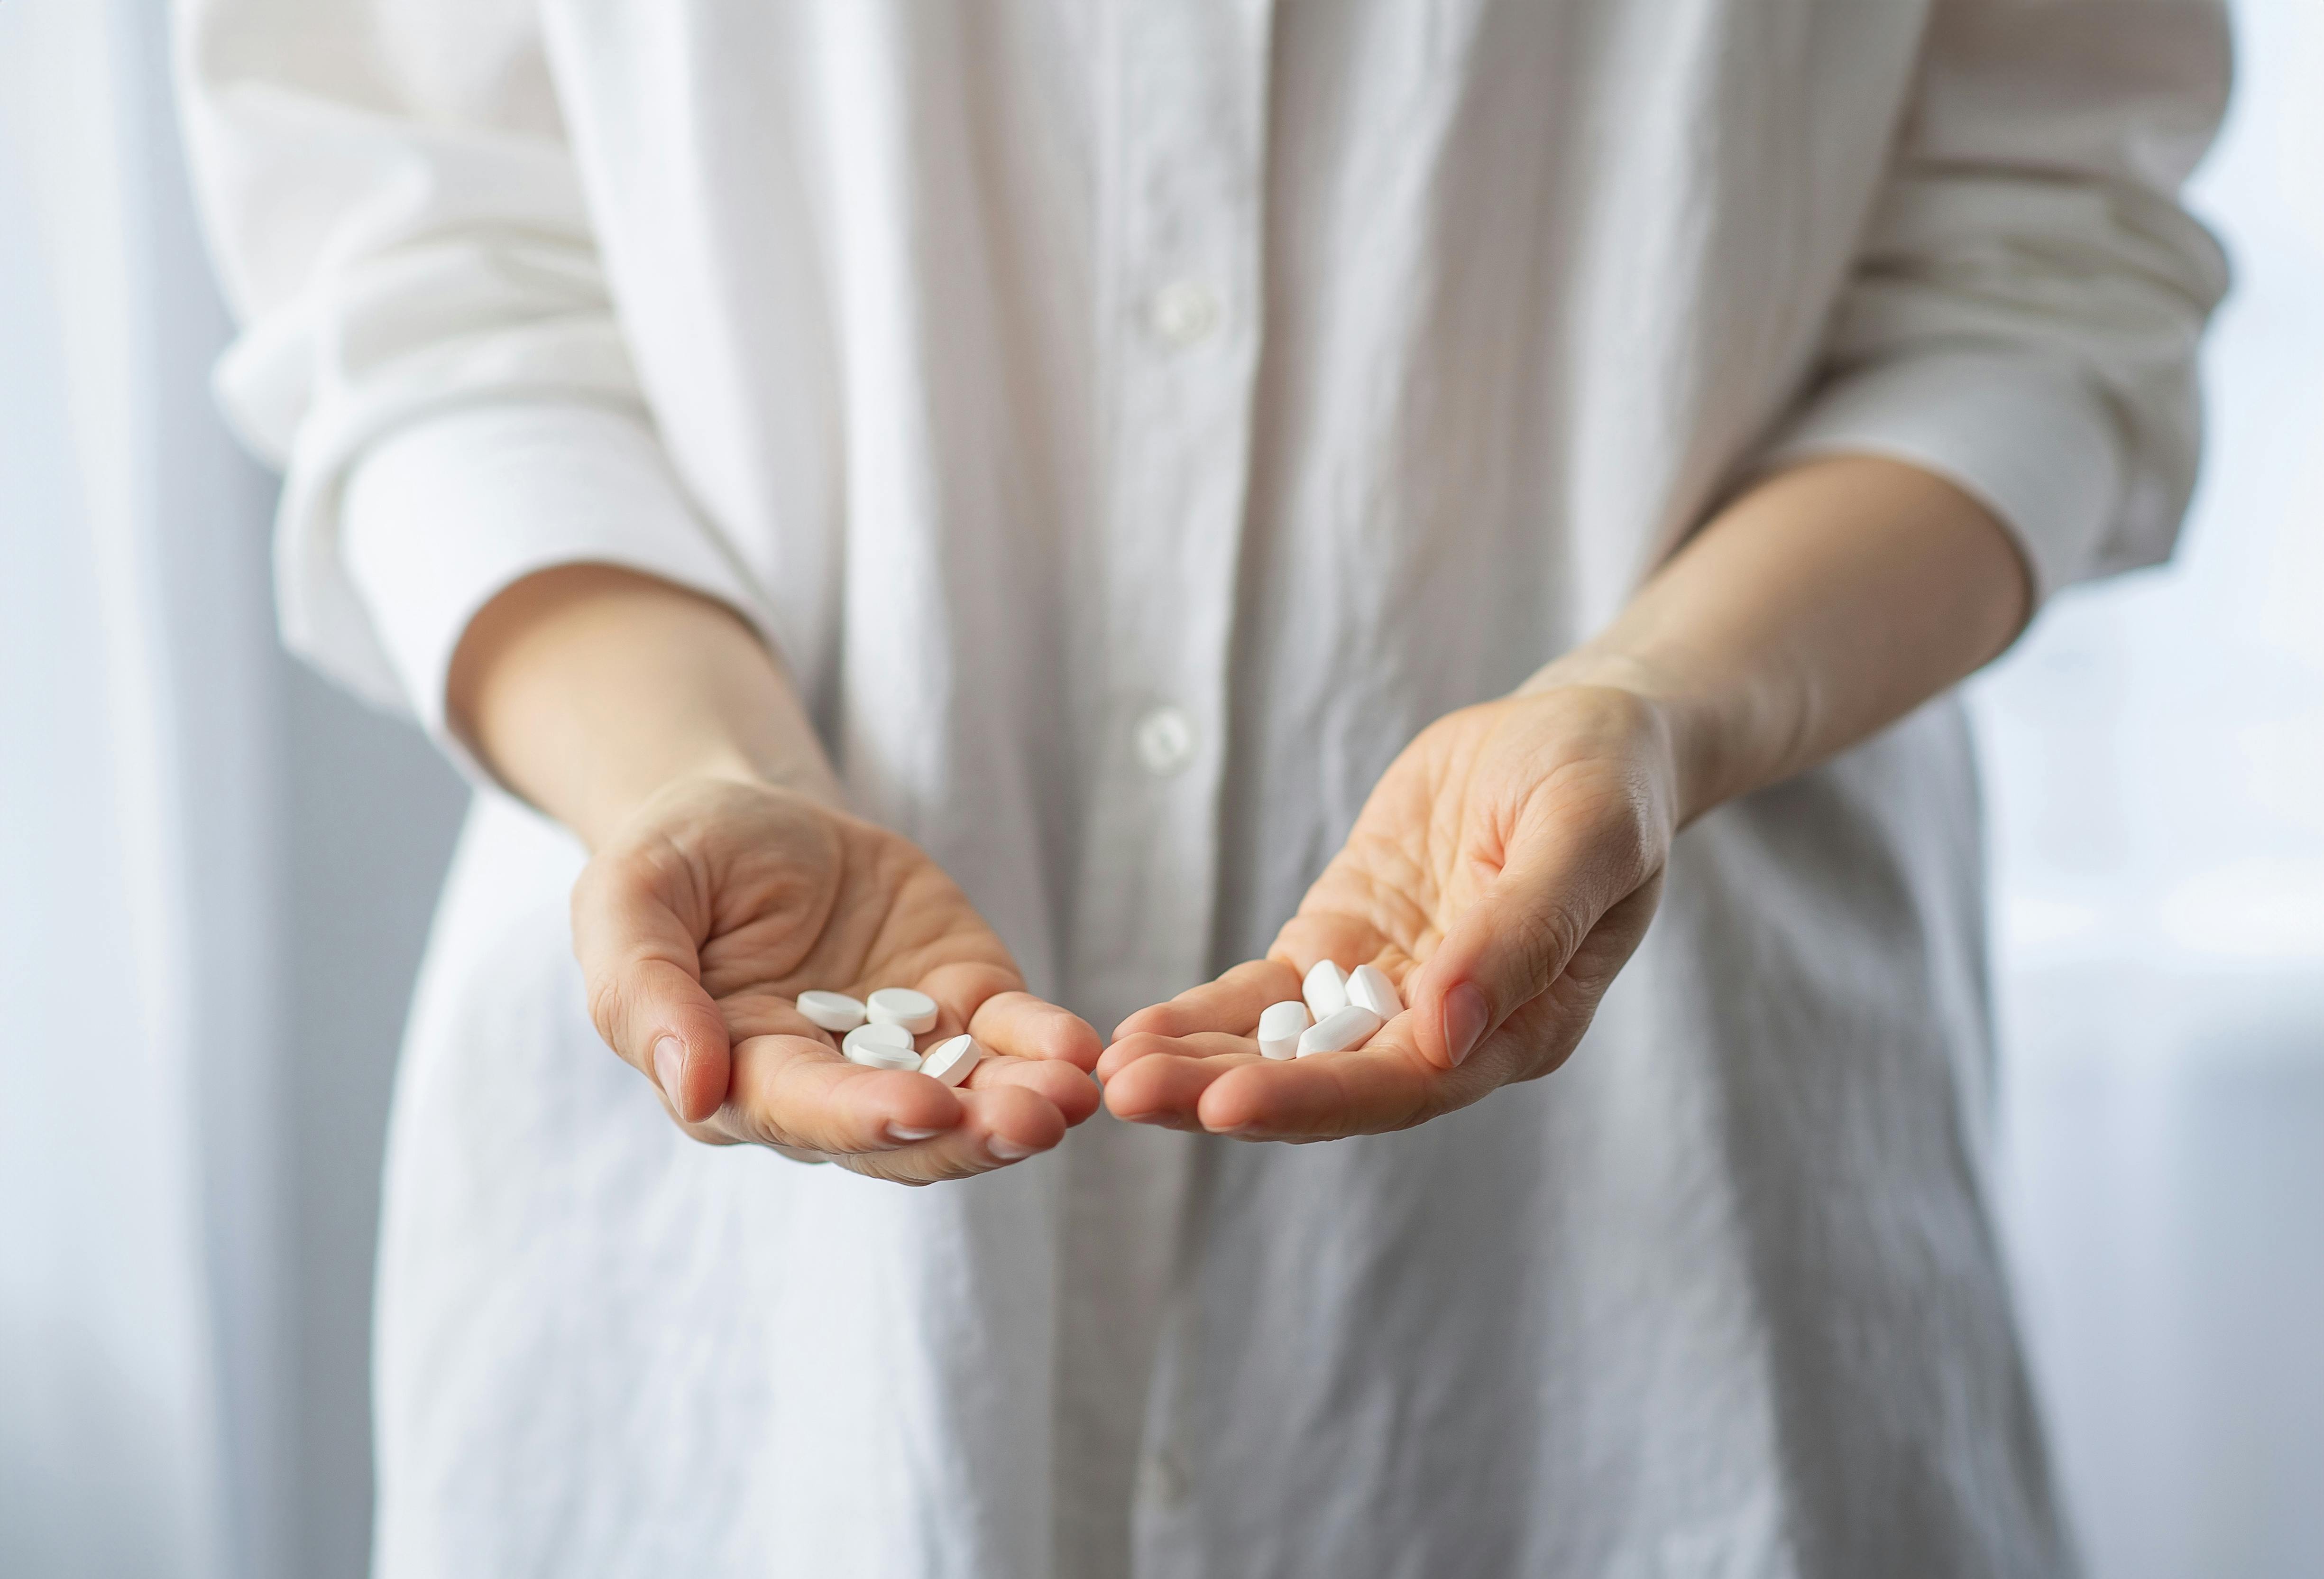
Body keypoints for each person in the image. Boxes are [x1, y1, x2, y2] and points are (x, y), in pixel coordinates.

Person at [177, 1, 2229, 1573]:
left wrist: (1654, 705)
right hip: (745, 1348)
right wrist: (701, 774)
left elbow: (2030, 270)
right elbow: (429, 276)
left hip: (1664, 1274)